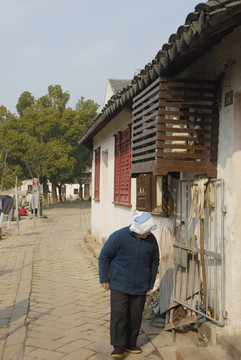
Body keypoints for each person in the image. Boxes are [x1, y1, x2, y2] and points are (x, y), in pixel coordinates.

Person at [98, 211, 160, 359]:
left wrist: (150, 282)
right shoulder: (119, 237)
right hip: (120, 284)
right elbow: (104, 257)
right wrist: (103, 278)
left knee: (135, 316)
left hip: (140, 286)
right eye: (147, 230)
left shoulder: (151, 241)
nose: (149, 233)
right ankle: (119, 346)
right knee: (119, 315)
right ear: (139, 230)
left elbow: (155, 261)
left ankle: (131, 343)